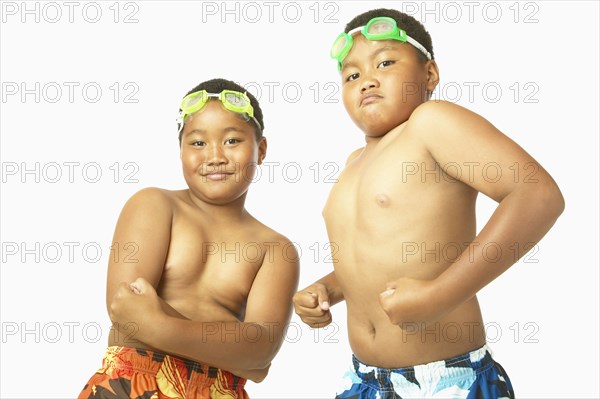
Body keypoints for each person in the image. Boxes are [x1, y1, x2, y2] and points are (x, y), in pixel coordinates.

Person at [293, 8, 564, 398]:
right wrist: (326, 289)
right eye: (351, 75)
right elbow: (370, 261)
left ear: (430, 75)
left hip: (445, 380)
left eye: (385, 62)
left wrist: (438, 295)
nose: (366, 80)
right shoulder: (354, 163)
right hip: (365, 381)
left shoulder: (430, 123)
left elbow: (537, 195)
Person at [78, 78, 299, 398]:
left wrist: (159, 324)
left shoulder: (275, 249)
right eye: (197, 143)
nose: (215, 156)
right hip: (131, 381)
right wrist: (239, 353)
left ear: (261, 150)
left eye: (232, 140)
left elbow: (261, 351)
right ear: (180, 151)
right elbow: (127, 311)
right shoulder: (154, 205)